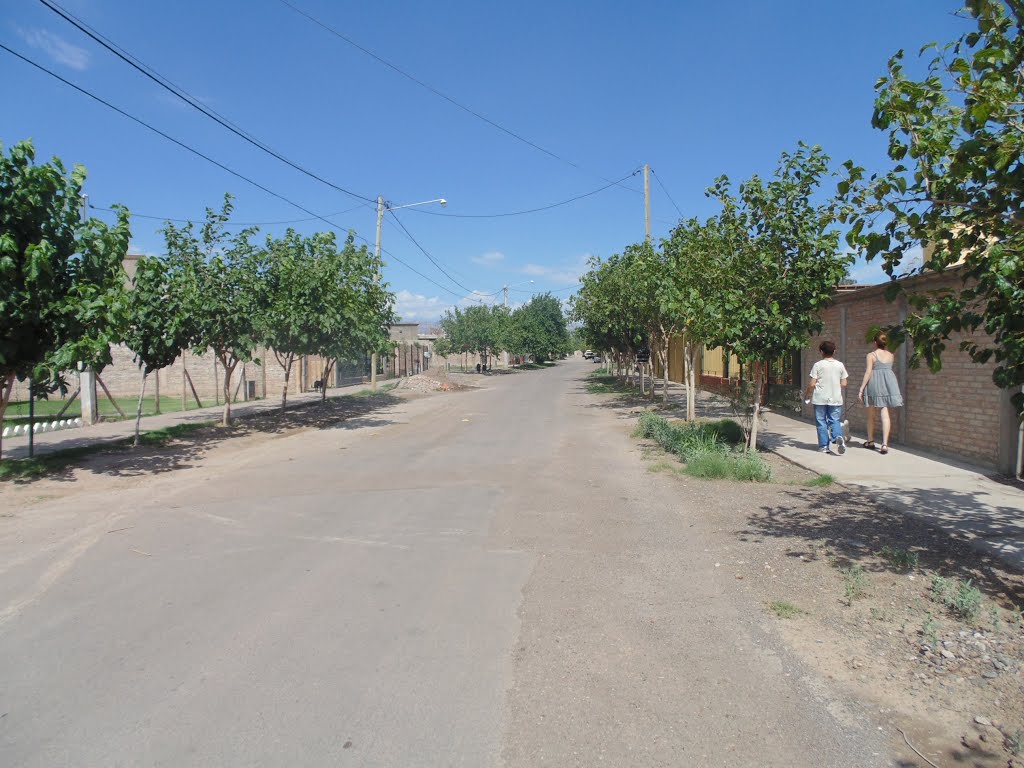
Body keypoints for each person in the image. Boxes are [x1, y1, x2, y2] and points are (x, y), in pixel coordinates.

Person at [857, 331, 904, 455]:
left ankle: (870, 441)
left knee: (871, 414)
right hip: (888, 383)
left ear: (875, 342)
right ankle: (884, 444)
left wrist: (861, 388)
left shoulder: (871, 355)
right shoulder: (891, 355)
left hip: (874, 383)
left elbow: (868, 372)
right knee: (885, 411)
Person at [803, 340, 849, 454]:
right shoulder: (840, 365)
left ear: (821, 351)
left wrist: (807, 394)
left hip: (820, 398)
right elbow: (844, 383)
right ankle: (838, 437)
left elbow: (812, 384)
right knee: (834, 420)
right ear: (834, 351)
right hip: (835, 398)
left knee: (821, 422)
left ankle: (824, 446)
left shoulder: (818, 365)